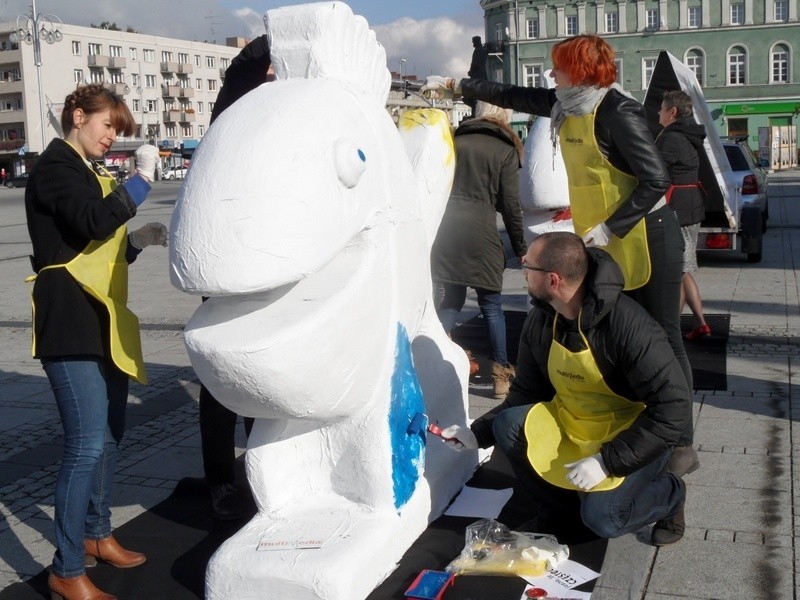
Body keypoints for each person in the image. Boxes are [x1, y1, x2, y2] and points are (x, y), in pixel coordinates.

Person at [422, 34, 699, 477]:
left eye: (559, 66)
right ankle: (621, 416)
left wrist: (610, 227)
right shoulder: (565, 104)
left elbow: (654, 179)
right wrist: (460, 86)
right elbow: (511, 94)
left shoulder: (617, 112)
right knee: (610, 328)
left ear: (582, 70)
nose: (552, 74)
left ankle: (680, 439)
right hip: (604, 241)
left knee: (662, 335)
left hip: (648, 235)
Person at [440, 232, 690, 546]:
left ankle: (671, 493)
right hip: (574, 422)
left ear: (553, 280)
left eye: (528, 266)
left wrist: (607, 462)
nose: (523, 270)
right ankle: (560, 512)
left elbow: (674, 408)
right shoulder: (542, 320)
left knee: (604, 519)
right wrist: (478, 433)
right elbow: (527, 393)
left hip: (630, 434)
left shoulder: (629, 327)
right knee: (509, 425)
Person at [25, 83, 164, 600]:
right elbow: (88, 221)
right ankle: (65, 568)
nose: (113, 136)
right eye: (108, 125)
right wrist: (142, 181)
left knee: (109, 433)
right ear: (78, 116)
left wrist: (135, 243)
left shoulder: (84, 170)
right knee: (84, 446)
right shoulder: (56, 167)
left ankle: (96, 533)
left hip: (99, 319)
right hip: (69, 323)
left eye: (117, 130)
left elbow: (95, 246)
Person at [199, 34, 270, 520]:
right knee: (222, 379)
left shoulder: (283, 126)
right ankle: (221, 480)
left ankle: (260, 469)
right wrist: (281, 40)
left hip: (268, 266)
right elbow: (240, 72)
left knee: (262, 372)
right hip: (225, 264)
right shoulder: (232, 118)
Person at [431, 100, 526, 400]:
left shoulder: (455, 139)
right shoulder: (505, 149)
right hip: (482, 231)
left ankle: (434, 350)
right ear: (504, 115)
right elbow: (510, 205)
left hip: (448, 229)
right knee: (491, 305)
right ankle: (500, 377)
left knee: (452, 298)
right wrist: (520, 246)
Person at [656, 90, 710, 342]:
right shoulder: (689, 134)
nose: (658, 112)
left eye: (662, 108)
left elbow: (655, 173)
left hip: (677, 207)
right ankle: (700, 323)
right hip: (692, 205)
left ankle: (671, 331)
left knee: (679, 269)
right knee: (683, 268)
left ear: (672, 112)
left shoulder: (671, 138)